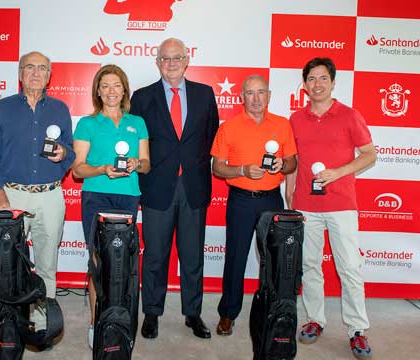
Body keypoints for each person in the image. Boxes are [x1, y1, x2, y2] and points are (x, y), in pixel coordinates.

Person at [285, 57, 376, 359]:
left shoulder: (349, 115)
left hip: (341, 204)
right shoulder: (295, 119)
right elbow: (293, 162)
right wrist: (289, 193)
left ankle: (357, 330)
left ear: (333, 82)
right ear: (305, 84)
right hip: (305, 205)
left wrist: (338, 172)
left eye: (323, 78)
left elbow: (369, 155)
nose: (318, 84)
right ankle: (314, 320)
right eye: (311, 79)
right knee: (310, 265)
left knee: (349, 267)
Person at [130, 37, 219, 340]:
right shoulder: (142, 97)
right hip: (157, 186)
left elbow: (211, 138)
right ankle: (152, 312)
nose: (171, 64)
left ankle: (192, 313)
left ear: (186, 60)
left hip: (194, 186)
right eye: (165, 59)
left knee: (192, 255)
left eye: (176, 58)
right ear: (157, 63)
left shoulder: (205, 95)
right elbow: (137, 142)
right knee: (155, 255)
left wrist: (191, 164)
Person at [0, 50, 74, 306]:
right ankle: (10, 323)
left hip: (50, 196)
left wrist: (64, 153)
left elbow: (71, 151)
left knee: (47, 264)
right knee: (8, 264)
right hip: (11, 196)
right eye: (29, 67)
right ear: (20, 73)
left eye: (42, 68)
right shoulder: (1, 108)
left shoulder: (60, 109)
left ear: (49, 75)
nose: (35, 73)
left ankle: (43, 323)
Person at [210, 75, 297, 336]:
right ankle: (228, 313)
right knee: (235, 258)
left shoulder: (282, 125)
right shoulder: (229, 126)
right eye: (250, 93)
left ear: (269, 95)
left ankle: (272, 310)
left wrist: (284, 164)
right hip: (241, 200)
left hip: (272, 199)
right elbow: (217, 167)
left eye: (261, 93)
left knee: (272, 260)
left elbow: (292, 162)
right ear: (241, 97)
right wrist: (243, 170)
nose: (256, 99)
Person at [71, 64, 150, 348]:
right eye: (105, 86)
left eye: (116, 85)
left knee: (124, 264)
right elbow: (78, 170)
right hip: (97, 198)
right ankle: (96, 324)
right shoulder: (87, 123)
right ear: (97, 91)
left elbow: (146, 163)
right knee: (98, 262)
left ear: (124, 90)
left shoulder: (137, 122)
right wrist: (104, 168)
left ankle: (120, 324)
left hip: (128, 196)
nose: (111, 91)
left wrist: (135, 164)